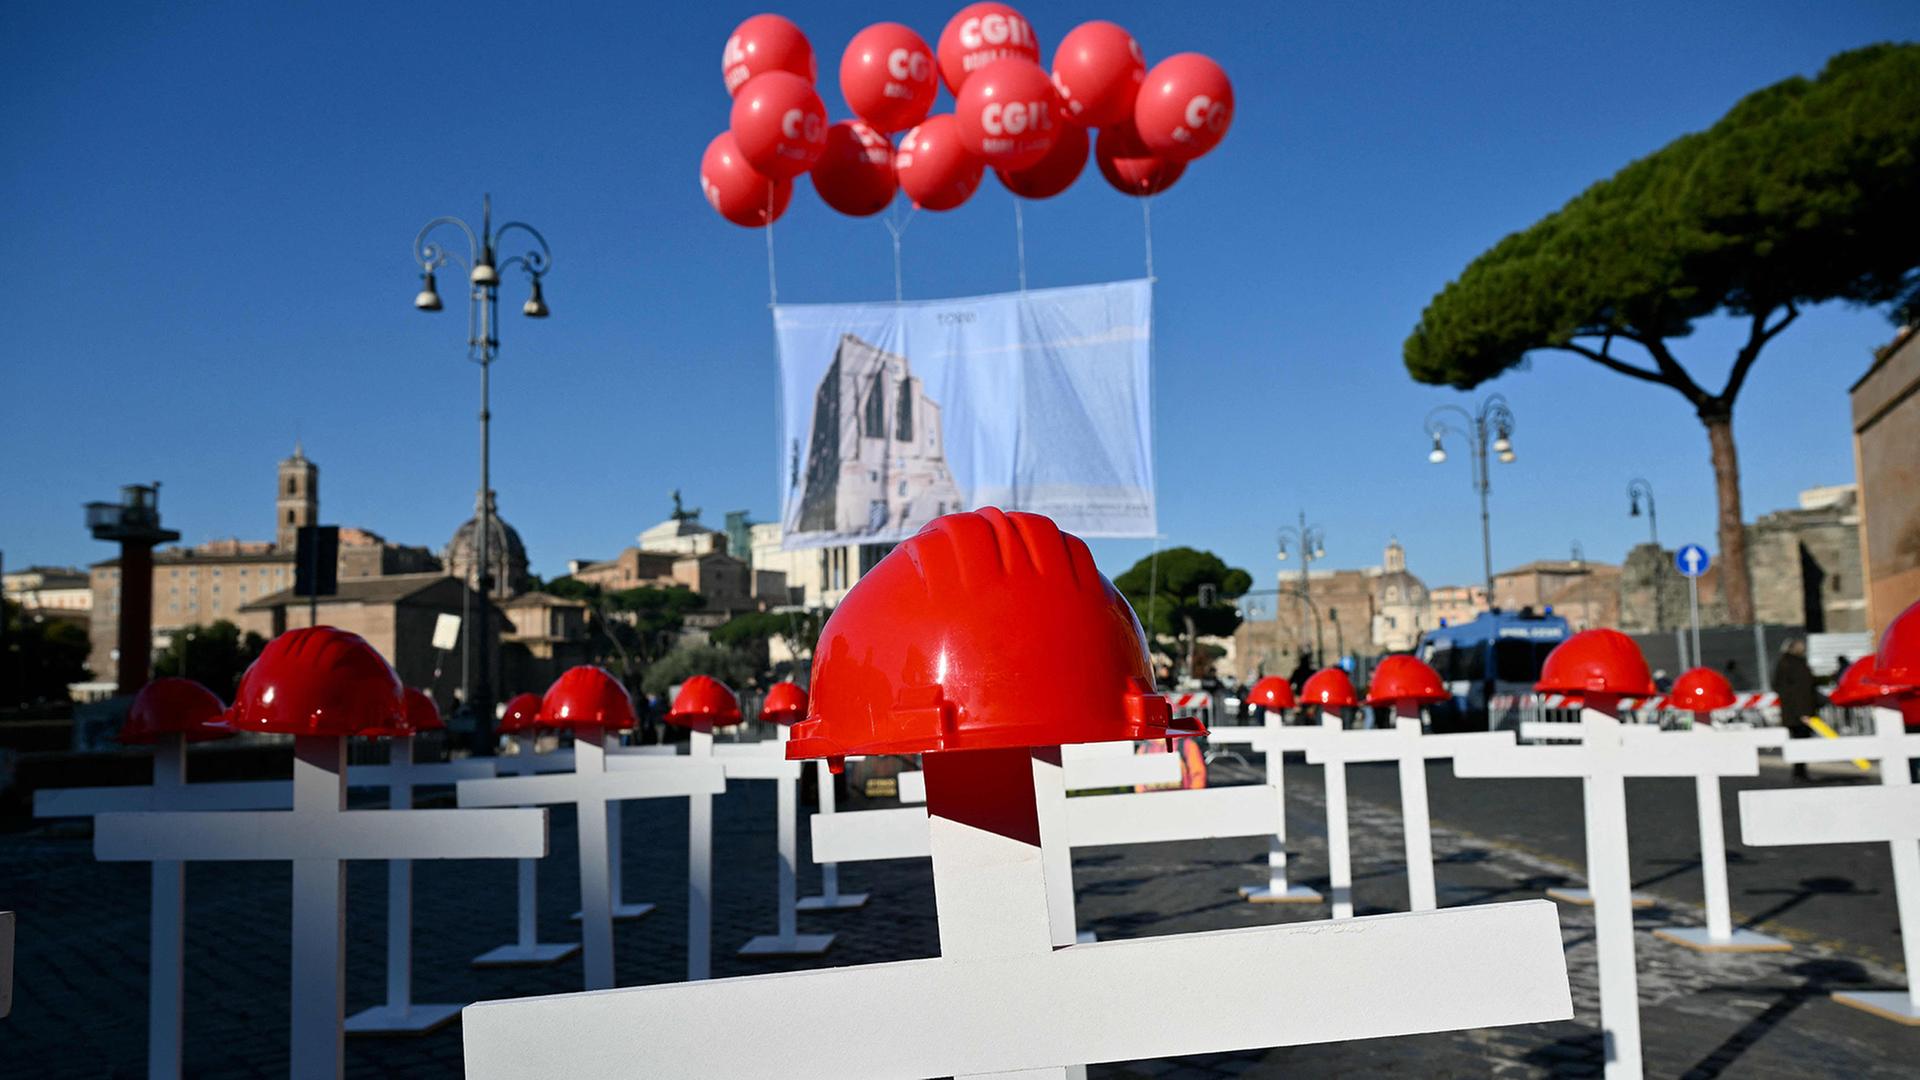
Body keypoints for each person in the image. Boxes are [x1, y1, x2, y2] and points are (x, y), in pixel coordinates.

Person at [1772, 637, 1822, 781]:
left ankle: (1799, 772)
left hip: (1792, 712)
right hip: (1800, 712)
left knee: (1798, 742)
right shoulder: (1796, 665)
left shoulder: (1784, 663)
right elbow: (1803, 691)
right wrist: (1803, 712)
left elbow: (1777, 685)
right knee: (1801, 742)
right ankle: (1800, 773)